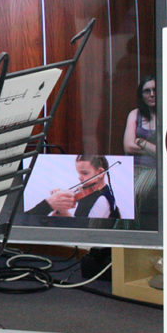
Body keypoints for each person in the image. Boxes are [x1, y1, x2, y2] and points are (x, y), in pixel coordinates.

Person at [27, 155, 120, 219]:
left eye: (84, 173)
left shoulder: (102, 200)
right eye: (78, 172)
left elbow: (86, 232)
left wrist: (65, 213)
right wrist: (60, 199)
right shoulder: (87, 192)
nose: (80, 177)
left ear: (100, 173)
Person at [123, 75, 157, 224]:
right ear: (141, 95)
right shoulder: (135, 114)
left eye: (155, 90)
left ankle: (133, 234)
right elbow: (128, 146)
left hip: (153, 169)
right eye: (147, 91)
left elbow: (166, 154)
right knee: (115, 194)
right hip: (132, 166)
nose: (151, 94)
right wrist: (153, 149)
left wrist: (142, 142)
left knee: (135, 193)